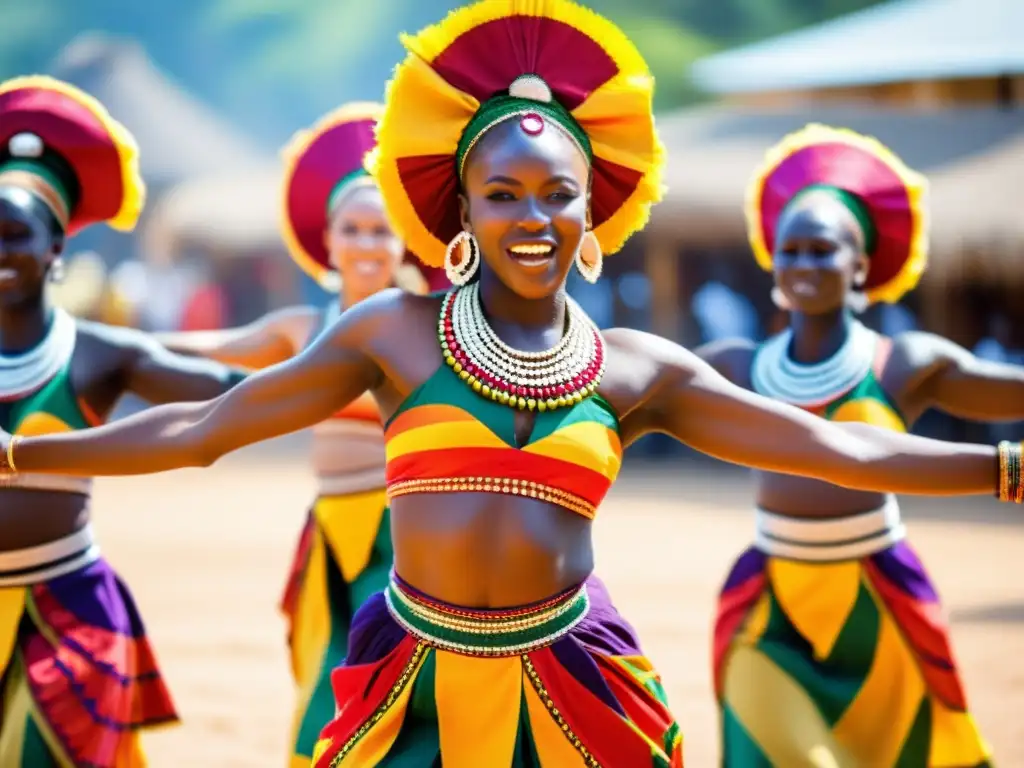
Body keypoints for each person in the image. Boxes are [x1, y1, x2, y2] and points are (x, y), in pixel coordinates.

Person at [0, 6, 1018, 765]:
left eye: (556, 194)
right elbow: (203, 430)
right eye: (502, 194)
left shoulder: (634, 368)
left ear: (592, 215)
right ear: (461, 213)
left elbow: (838, 446)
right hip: (415, 681)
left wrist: (1002, 471)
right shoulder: (391, 335)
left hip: (574, 679)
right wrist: (21, 452)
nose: (532, 216)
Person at [699, 124, 1003, 766]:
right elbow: (623, 391)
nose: (805, 264)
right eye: (793, 250)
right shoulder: (735, 368)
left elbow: (1009, 393)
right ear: (773, 260)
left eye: (823, 250)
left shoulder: (903, 364)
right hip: (770, 608)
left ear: (860, 263)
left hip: (880, 604)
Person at [153, 102, 441, 767]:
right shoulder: (300, 330)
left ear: (402, 245)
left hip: (402, 535)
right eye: (354, 228)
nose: (368, 243)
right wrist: (95, 342)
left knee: (385, 677)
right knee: (319, 677)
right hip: (326, 531)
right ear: (328, 241)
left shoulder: (425, 326)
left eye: (381, 230)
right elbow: (202, 351)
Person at [0, 76, 245, 766]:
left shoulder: (98, 354)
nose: (0, 252)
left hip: (68, 606)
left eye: (16, 235)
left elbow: (239, 395)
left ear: (55, 251)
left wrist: (350, 365)